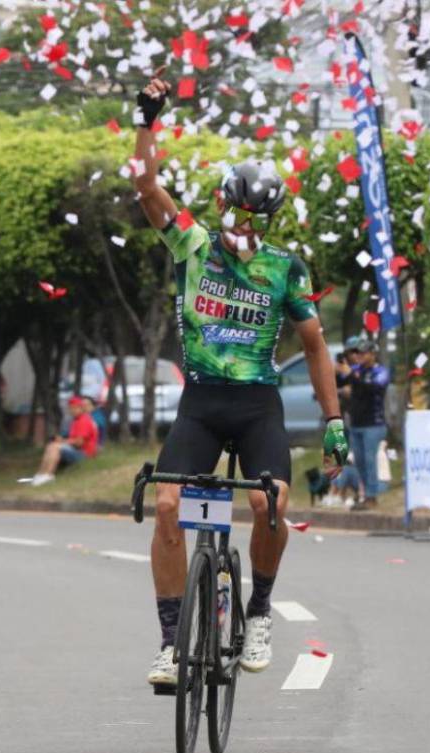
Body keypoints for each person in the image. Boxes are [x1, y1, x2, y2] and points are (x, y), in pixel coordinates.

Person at [132, 69, 347, 686]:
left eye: (259, 215)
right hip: (202, 402)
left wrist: (333, 422)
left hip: (257, 406)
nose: (245, 222)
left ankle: (257, 611)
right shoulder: (193, 245)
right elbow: (146, 185)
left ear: (271, 217)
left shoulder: (286, 268)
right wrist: (147, 121)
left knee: (268, 502)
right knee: (168, 504)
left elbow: (313, 344)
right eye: (239, 208)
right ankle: (172, 643)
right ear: (223, 201)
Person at [339, 339, 390, 510]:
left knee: (369, 460)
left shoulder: (380, 372)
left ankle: (372, 496)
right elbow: (340, 380)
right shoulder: (356, 370)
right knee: (359, 461)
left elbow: (372, 389)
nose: (359, 356)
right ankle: (365, 494)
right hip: (356, 423)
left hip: (373, 424)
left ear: (372, 354)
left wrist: (352, 377)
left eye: (363, 353)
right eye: (357, 353)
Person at [27, 395, 99, 487]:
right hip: (77, 451)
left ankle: (48, 475)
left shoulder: (84, 420)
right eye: (70, 408)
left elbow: (79, 443)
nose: (72, 411)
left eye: (74, 408)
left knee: (55, 447)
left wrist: (62, 442)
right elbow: (73, 440)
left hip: (85, 454)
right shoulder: (76, 420)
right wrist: (62, 440)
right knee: (51, 445)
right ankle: (40, 474)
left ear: (81, 408)